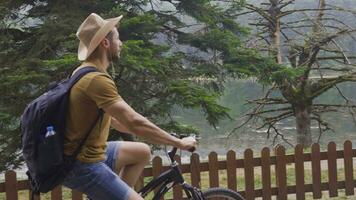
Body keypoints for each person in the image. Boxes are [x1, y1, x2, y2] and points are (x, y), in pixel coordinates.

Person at [63, 13, 197, 200]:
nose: (121, 43)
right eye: (118, 38)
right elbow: (134, 122)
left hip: (90, 152)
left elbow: (118, 121)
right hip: (82, 164)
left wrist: (161, 133)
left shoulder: (85, 71)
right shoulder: (96, 80)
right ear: (105, 43)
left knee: (142, 152)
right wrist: (179, 143)